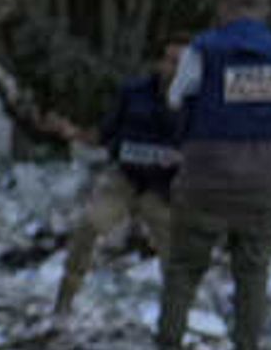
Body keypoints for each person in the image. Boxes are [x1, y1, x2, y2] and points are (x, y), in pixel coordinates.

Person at [157, 0, 271, 350]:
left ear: (225, 8)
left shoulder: (204, 48)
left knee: (185, 268)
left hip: (205, 175)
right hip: (264, 178)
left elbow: (176, 97)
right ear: (265, 10)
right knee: (253, 273)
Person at [46, 41, 185, 324]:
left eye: (181, 63)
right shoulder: (134, 93)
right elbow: (105, 132)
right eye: (169, 61)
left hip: (165, 189)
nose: (173, 69)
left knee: (175, 255)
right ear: (159, 63)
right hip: (127, 177)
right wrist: (73, 133)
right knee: (89, 226)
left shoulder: (198, 101)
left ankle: (174, 321)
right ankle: (64, 302)